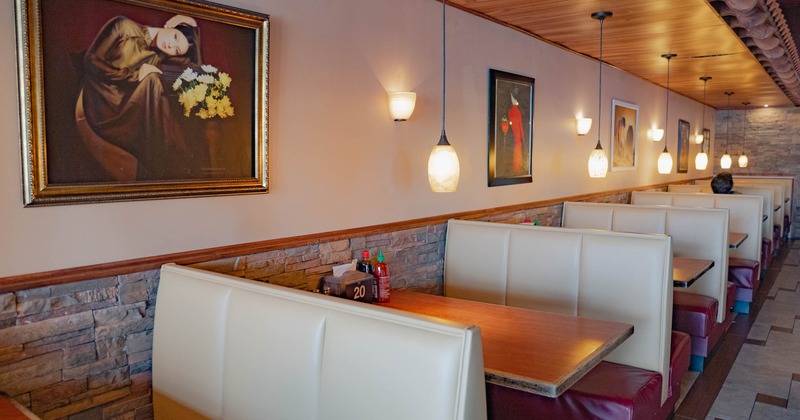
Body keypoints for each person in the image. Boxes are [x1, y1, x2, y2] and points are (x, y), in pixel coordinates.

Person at [74, 14, 203, 181]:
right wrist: (133, 75)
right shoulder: (123, 26)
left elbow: (198, 71)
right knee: (153, 79)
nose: (171, 45)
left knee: (153, 80)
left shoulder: (160, 54)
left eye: (176, 49)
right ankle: (177, 162)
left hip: (129, 105)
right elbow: (90, 60)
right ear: (170, 26)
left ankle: (173, 164)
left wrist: (193, 24)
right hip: (101, 101)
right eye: (175, 36)